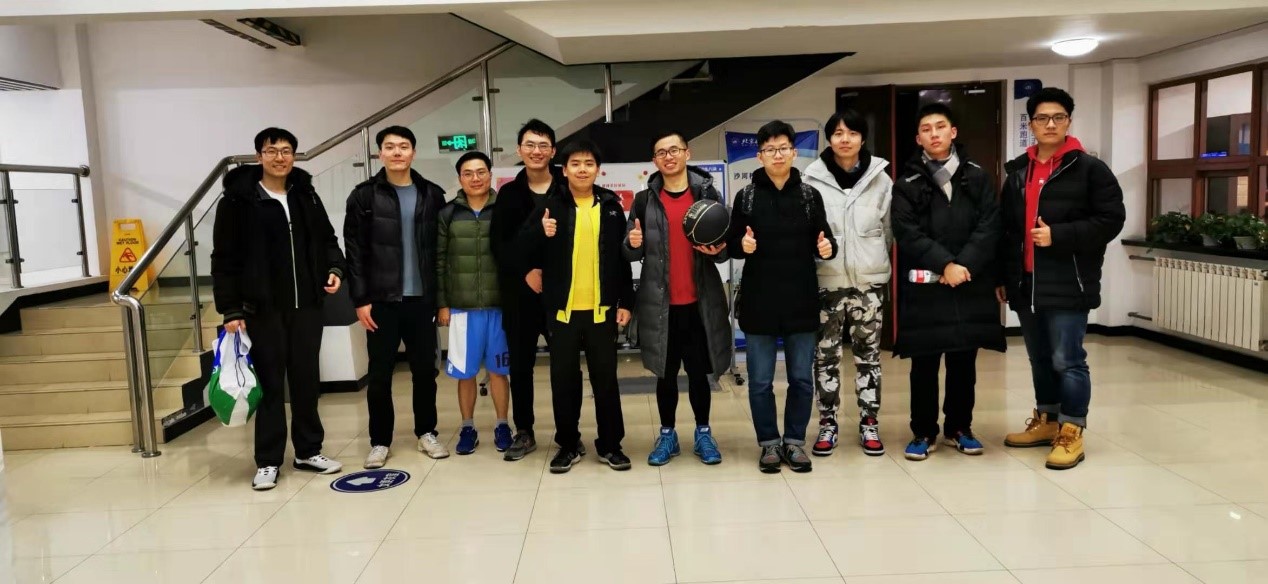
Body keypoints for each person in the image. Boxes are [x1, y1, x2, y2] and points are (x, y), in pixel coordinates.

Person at [211, 127, 346, 490]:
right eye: (272, 151)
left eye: (286, 151)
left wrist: (335, 269)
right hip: (262, 309)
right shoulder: (238, 201)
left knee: (306, 381)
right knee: (271, 385)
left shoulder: (306, 195)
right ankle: (268, 460)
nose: (280, 158)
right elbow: (224, 259)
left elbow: (328, 240)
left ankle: (308, 451)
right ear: (259, 156)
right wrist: (231, 309)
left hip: (307, 307)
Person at [998, 87, 1125, 470]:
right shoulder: (1018, 171)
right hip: (1026, 282)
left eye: (1058, 117)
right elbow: (1006, 229)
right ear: (1032, 123)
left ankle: (1072, 430)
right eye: (1042, 118)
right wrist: (1004, 275)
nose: (1050, 124)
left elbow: (1111, 220)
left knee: (1067, 360)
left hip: (1070, 281)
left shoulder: (1090, 169)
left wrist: (1060, 235)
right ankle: (1047, 420)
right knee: (1039, 358)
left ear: (1068, 121)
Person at [891, 103, 1006, 461]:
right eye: (926, 129)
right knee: (923, 364)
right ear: (918, 138)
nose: (934, 134)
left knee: (963, 362)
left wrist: (963, 265)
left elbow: (990, 225)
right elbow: (906, 232)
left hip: (968, 282)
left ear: (953, 132)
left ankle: (959, 427)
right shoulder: (906, 183)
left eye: (940, 127)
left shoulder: (977, 176)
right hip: (926, 284)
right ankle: (923, 431)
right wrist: (945, 264)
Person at [727, 120, 837, 474]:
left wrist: (827, 248)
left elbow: (826, 240)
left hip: (800, 300)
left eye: (784, 148)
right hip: (759, 301)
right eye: (770, 149)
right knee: (760, 382)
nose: (777, 155)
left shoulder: (808, 196)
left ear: (794, 152)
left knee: (801, 379)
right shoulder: (746, 197)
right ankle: (769, 444)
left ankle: (794, 441)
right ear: (760, 156)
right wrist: (741, 245)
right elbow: (731, 244)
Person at [520, 140, 634, 474]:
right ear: (565, 169)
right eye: (575, 164)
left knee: (606, 381)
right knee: (564, 382)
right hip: (562, 312)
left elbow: (621, 259)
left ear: (597, 170)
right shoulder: (550, 205)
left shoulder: (611, 206)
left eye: (588, 163)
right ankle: (568, 445)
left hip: (601, 311)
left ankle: (611, 445)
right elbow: (523, 248)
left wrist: (625, 302)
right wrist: (540, 233)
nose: (582, 169)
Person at [623, 130, 732, 467]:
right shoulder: (644, 200)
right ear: (654, 161)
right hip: (660, 306)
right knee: (665, 374)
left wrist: (717, 250)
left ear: (687, 153)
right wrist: (633, 244)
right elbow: (629, 250)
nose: (668, 157)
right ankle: (667, 435)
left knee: (699, 374)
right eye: (661, 152)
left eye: (674, 150)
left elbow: (723, 248)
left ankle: (703, 433)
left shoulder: (707, 194)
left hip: (700, 303)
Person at [344, 125, 449, 469]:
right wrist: (360, 299)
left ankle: (427, 432)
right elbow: (354, 252)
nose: (397, 152)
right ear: (380, 154)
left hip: (421, 300)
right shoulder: (363, 196)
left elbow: (440, 251)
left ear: (413, 152)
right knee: (379, 374)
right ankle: (379, 441)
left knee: (425, 372)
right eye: (390, 147)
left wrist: (441, 299)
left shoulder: (431, 194)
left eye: (404, 146)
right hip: (381, 301)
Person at [802, 109, 893, 458]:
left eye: (852, 133)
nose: (845, 139)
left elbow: (888, 231)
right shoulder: (811, 179)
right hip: (826, 282)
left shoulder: (880, 178)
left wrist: (871, 262)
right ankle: (827, 423)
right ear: (829, 139)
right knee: (825, 356)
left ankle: (869, 422)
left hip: (868, 285)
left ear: (862, 138)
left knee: (869, 357)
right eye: (838, 133)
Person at [489, 119, 566, 462]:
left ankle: (568, 433)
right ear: (519, 150)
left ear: (553, 150)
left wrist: (549, 272)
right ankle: (525, 431)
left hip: (562, 291)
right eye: (530, 145)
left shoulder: (567, 187)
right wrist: (526, 272)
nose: (537, 151)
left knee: (564, 366)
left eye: (543, 145)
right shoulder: (508, 194)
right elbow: (499, 246)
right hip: (519, 294)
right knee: (521, 366)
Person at [437, 151, 511, 455]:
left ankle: (503, 424)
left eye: (481, 172)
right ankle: (467, 427)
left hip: (500, 305)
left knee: (499, 370)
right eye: (468, 173)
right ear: (459, 178)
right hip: (462, 308)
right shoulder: (448, 214)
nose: (475, 178)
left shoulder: (504, 209)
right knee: (465, 373)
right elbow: (439, 260)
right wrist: (442, 304)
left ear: (490, 175)